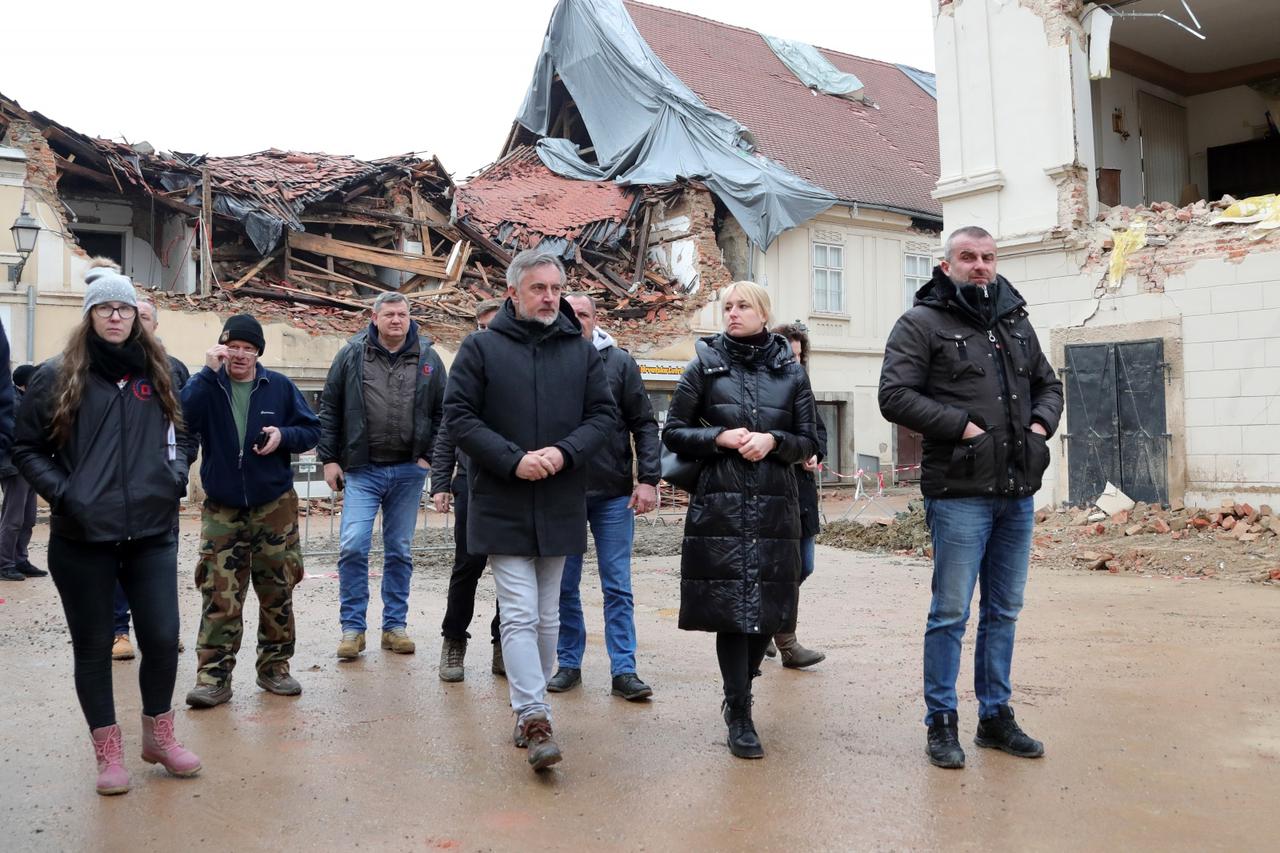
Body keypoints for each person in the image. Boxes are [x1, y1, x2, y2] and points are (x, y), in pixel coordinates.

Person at [13, 259, 200, 795]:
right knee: (93, 647)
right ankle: (108, 753)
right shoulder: (57, 376)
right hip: (82, 538)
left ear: (135, 317)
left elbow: (183, 433)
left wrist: (173, 476)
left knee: (162, 640)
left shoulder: (159, 369)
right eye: (105, 308)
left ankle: (159, 737)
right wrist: (68, 495)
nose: (115, 317)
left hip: (151, 532)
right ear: (90, 315)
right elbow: (27, 447)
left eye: (124, 308)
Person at [878, 226, 1063, 769]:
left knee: (1003, 610)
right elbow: (895, 395)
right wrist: (963, 428)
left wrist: (1037, 428)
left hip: (1016, 491)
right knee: (951, 613)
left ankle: (995, 717)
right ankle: (941, 722)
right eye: (967, 257)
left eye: (987, 257)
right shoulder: (921, 323)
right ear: (946, 265)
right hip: (959, 492)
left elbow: (1049, 386)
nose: (979, 265)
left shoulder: (1016, 323)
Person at [444, 249, 615, 771]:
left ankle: (529, 708)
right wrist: (512, 460)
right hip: (502, 498)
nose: (548, 297)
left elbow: (604, 414)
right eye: (538, 288)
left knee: (547, 617)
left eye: (555, 289)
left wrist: (565, 452)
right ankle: (535, 714)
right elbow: (458, 416)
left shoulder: (581, 352)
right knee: (518, 613)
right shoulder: (480, 348)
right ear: (513, 292)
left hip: (561, 496)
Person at [662, 281, 818, 760]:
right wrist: (720, 438)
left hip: (775, 505)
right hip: (722, 505)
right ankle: (741, 711)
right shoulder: (703, 366)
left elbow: (810, 440)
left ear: (763, 313)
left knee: (767, 611)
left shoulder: (791, 373)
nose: (732, 313)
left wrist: (773, 441)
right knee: (732, 610)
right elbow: (673, 433)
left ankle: (741, 691)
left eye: (742, 306)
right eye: (727, 306)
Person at [182, 314, 321, 708]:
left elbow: (312, 429)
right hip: (223, 508)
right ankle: (213, 676)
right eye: (233, 348)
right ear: (221, 350)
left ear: (258, 352)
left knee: (277, 588)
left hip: (273, 505)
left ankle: (275, 668)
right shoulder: (209, 386)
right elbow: (181, 417)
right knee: (219, 592)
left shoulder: (278, 386)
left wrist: (284, 436)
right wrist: (205, 374)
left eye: (248, 348)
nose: (240, 355)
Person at [319, 292, 447, 660]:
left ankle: (394, 627)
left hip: (409, 471)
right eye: (389, 314)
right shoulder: (351, 354)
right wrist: (329, 459)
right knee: (353, 545)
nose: (396, 320)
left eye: (402, 314)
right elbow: (330, 407)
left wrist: (429, 458)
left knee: (400, 551)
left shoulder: (428, 358)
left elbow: (444, 412)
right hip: (363, 469)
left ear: (410, 318)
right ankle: (353, 630)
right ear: (373, 317)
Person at [546, 293, 658, 700]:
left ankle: (624, 670)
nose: (577, 321)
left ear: (596, 319)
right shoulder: (547, 360)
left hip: (612, 494)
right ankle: (569, 663)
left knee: (617, 586)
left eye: (584, 314)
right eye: (570, 314)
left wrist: (648, 479)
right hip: (563, 492)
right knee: (564, 587)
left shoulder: (620, 364)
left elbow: (644, 423)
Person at [112, 295, 190, 660]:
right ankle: (118, 632)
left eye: (144, 316)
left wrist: (178, 472)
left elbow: (186, 428)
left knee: (161, 561)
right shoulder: (104, 365)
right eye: (133, 315)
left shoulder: (173, 369)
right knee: (116, 560)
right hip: (112, 488)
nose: (137, 321)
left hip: (159, 486)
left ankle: (161, 630)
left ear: (155, 324)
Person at [433, 299, 504, 682]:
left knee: (510, 571)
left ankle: (502, 644)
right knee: (468, 566)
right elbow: (448, 431)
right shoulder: (466, 368)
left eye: (494, 325)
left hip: (511, 483)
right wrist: (441, 483)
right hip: (471, 486)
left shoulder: (518, 367)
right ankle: (453, 642)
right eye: (481, 326)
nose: (487, 332)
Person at [762, 323, 826, 669]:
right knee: (776, 570)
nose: (795, 362)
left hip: (801, 494)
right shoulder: (762, 389)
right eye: (790, 354)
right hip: (771, 493)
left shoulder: (803, 387)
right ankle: (784, 642)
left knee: (804, 565)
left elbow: (819, 432)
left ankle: (770, 628)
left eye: (800, 357)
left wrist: (816, 453)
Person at [0, 363, 36, 582]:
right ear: (25, 383)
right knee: (13, 519)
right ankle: (5, 564)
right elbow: (20, 433)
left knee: (28, 518)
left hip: (29, 467)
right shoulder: (12, 403)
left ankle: (20, 559)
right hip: (14, 467)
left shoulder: (28, 401)